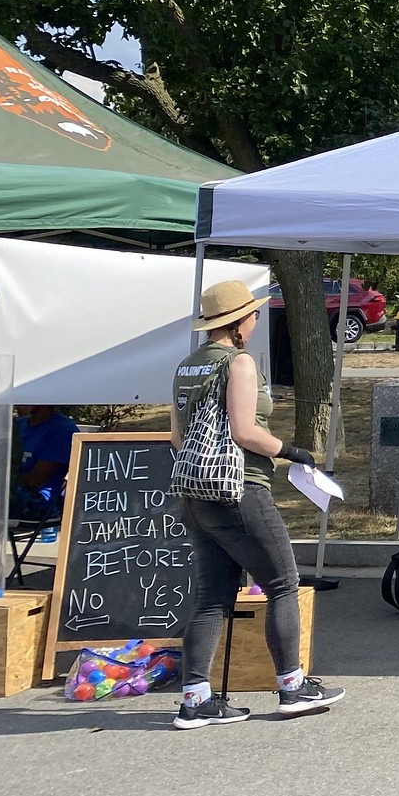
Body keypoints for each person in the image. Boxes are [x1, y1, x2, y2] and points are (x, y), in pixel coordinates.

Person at [170, 280, 341, 729]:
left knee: (211, 598)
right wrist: (291, 451)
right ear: (239, 321)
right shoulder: (238, 363)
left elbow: (177, 437)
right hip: (238, 488)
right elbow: (245, 432)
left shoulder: (187, 366)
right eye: (253, 314)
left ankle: (196, 699)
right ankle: (292, 687)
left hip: (194, 493)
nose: (256, 319)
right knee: (283, 582)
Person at [13, 404, 79, 524]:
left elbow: (34, 480)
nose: (19, 402)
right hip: (11, 492)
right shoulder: (18, 425)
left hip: (42, 503)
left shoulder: (62, 429)